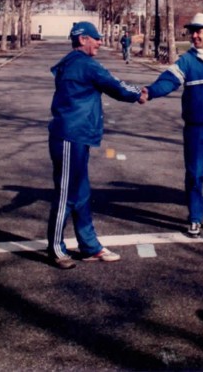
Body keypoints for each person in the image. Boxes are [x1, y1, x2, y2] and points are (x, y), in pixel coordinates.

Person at [47, 21, 145, 269]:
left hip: (75, 135)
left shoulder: (70, 61)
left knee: (81, 193)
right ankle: (56, 249)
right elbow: (115, 85)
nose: (100, 42)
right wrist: (140, 93)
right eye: (96, 38)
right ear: (83, 40)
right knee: (66, 195)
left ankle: (90, 246)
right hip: (71, 135)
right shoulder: (86, 64)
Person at [142, 13, 203, 237]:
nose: (194, 35)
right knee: (195, 174)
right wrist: (150, 91)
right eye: (192, 31)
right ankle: (195, 218)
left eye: (199, 31)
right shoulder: (186, 60)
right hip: (195, 127)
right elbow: (168, 81)